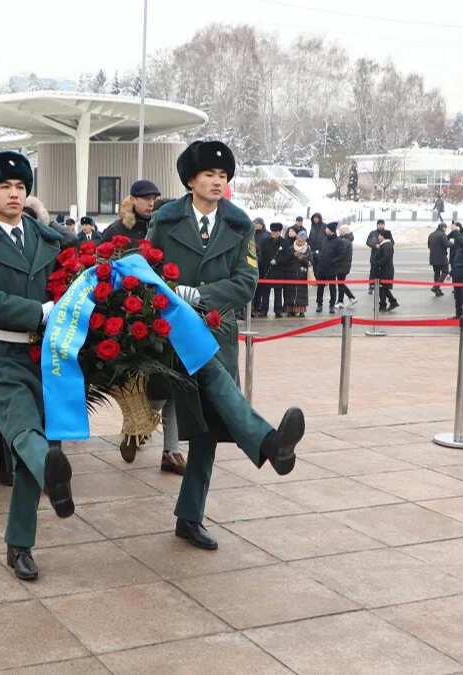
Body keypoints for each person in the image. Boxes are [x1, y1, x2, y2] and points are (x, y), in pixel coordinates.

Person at [148, 140, 304, 553]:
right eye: (209, 176)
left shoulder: (237, 225)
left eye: (223, 177)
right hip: (173, 333)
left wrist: (199, 295)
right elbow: (147, 271)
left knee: (207, 432)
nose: (218, 182)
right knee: (213, 387)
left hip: (218, 331)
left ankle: (190, 518)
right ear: (190, 180)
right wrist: (172, 296)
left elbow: (246, 283)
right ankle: (269, 443)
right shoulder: (165, 220)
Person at [0, 150, 74, 580]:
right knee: (23, 426)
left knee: (33, 450)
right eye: (5, 187)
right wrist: (39, 311)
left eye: (21, 187)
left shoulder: (45, 236)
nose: (15, 194)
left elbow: (76, 271)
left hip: (45, 354)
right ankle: (54, 477)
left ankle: (19, 543)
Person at [103, 180, 161, 246]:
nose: (151, 204)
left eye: (154, 199)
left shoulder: (160, 228)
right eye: (146, 198)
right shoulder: (116, 230)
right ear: (133, 200)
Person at [315, 221, 345, 313]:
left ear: (331, 230)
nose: (325, 230)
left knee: (332, 287)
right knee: (320, 287)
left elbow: (342, 255)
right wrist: (319, 257)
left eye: (327, 228)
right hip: (322, 267)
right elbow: (321, 250)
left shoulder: (338, 241)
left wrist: (333, 261)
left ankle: (332, 305)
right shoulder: (325, 239)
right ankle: (319, 304)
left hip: (331, 268)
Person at [280, 228, 311, 316]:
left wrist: (303, 259)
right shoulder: (291, 248)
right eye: (298, 241)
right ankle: (290, 310)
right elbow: (286, 259)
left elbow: (311, 262)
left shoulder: (308, 250)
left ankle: (301, 310)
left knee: (301, 293)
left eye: (302, 241)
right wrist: (293, 256)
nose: (300, 243)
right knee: (290, 292)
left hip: (302, 274)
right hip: (291, 274)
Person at [263, 222, 287, 318]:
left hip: (279, 270)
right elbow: (262, 253)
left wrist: (277, 261)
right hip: (267, 270)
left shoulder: (284, 242)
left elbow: (287, 256)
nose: (273, 233)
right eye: (272, 231)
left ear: (279, 232)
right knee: (265, 292)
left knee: (278, 292)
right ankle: (264, 310)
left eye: (276, 231)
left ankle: (278, 310)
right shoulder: (265, 241)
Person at [374, 229, 399, 312]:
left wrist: (378, 263)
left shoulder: (387, 245)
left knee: (383, 288)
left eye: (380, 235)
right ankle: (391, 302)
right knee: (383, 288)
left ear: (384, 237)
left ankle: (384, 305)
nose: (378, 237)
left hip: (386, 270)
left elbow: (387, 258)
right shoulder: (384, 245)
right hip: (383, 270)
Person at [334, 224, 357, 308]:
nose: (339, 232)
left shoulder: (345, 241)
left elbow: (342, 253)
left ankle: (341, 301)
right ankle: (351, 297)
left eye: (340, 230)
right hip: (344, 265)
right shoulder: (345, 240)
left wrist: (335, 259)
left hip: (342, 265)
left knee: (340, 283)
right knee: (341, 283)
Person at [428, 222, 450, 297]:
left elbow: (429, 246)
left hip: (433, 257)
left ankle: (437, 290)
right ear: (443, 228)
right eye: (445, 228)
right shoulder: (443, 235)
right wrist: (452, 243)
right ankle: (436, 287)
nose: (445, 229)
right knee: (445, 271)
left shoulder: (431, 235)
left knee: (436, 273)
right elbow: (447, 244)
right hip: (441, 257)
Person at [366, 219, 386, 293]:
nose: (380, 225)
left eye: (382, 224)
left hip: (384, 256)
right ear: (377, 225)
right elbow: (368, 242)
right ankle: (371, 287)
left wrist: (384, 245)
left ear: (384, 225)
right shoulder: (373, 233)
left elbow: (392, 242)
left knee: (383, 273)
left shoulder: (387, 233)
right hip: (374, 256)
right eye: (379, 224)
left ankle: (381, 287)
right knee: (373, 272)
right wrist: (375, 245)